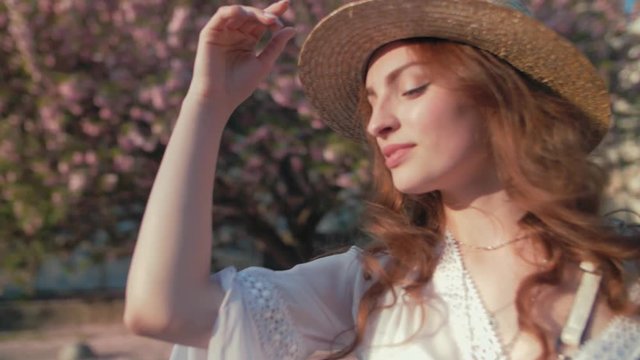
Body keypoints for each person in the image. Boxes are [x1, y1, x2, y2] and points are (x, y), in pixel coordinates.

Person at [123, 0, 640, 358]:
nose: (377, 123)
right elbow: (162, 310)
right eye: (371, 102)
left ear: (498, 95)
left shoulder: (625, 272)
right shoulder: (373, 287)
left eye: (411, 89)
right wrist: (208, 102)